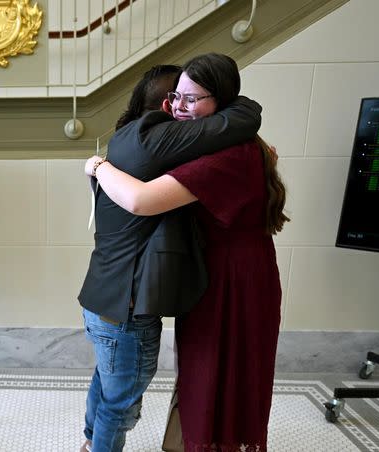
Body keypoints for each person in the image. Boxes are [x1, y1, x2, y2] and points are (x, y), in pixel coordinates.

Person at [85, 53, 289, 451]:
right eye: (176, 97)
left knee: (221, 376)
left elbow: (142, 200)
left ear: (221, 103)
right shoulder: (213, 139)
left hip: (235, 279)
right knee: (200, 376)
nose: (179, 108)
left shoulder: (228, 153)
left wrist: (97, 166)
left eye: (192, 99)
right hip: (214, 272)